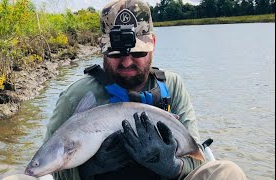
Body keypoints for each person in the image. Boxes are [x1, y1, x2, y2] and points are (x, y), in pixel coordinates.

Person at [42, 0, 247, 180]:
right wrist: (89, 169)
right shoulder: (75, 97)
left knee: (228, 172)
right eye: (116, 53)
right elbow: (50, 169)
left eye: (138, 52)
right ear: (102, 49)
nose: (127, 62)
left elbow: (196, 158)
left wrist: (173, 167)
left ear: (153, 45)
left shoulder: (172, 86)